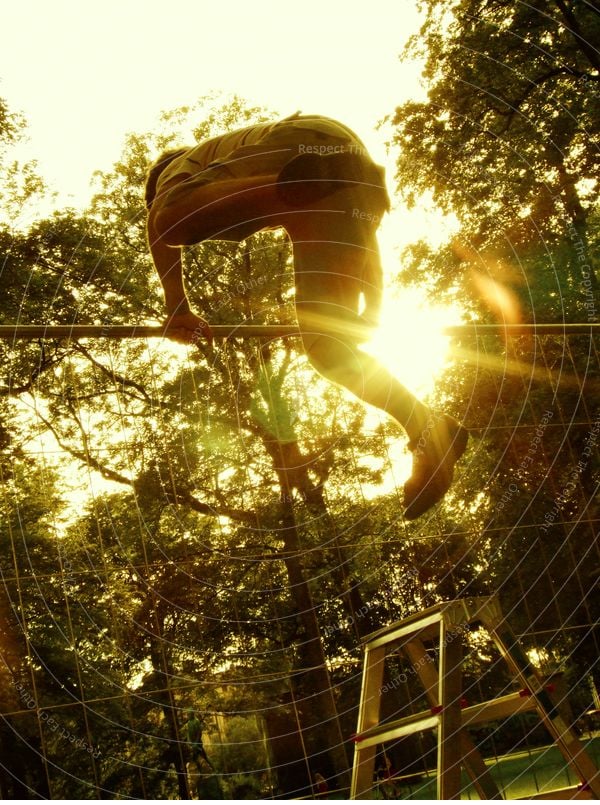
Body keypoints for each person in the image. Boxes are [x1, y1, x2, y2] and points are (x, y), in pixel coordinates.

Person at [145, 112, 468, 519]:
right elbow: (363, 231)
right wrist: (375, 301)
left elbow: (160, 216)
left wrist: (177, 308)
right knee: (327, 350)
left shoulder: (182, 167)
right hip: (353, 180)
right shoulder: (278, 193)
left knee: (170, 219)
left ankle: (294, 185)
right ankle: (426, 429)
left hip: (309, 147)